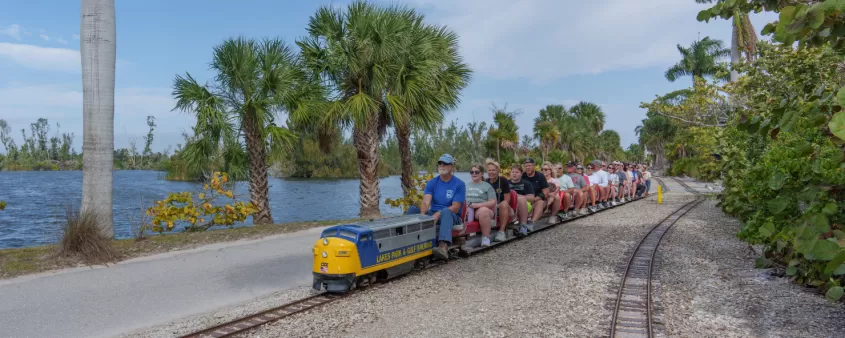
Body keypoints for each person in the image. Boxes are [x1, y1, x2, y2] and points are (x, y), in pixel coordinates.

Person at [404, 154, 465, 259]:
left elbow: (455, 207)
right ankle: (405, 239)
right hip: (434, 214)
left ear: (452, 166)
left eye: (445, 163)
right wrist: (423, 215)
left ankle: (443, 246)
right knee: (412, 209)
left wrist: (438, 214)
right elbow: (426, 201)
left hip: (452, 216)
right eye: (440, 163)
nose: (442, 165)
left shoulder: (459, 184)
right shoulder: (432, 182)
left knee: (445, 211)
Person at [465, 164, 497, 247]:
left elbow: (492, 202)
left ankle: (486, 238)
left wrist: (478, 205)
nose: (474, 174)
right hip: (468, 209)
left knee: (484, 211)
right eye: (472, 172)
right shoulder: (466, 185)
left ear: (482, 173)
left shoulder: (487, 186)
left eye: (476, 172)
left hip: (482, 209)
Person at [522, 158, 559, 223]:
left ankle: (532, 223)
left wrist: (535, 199)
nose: (527, 167)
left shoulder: (540, 176)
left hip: (538, 199)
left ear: (534, 166)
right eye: (526, 166)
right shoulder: (522, 176)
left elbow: (545, 192)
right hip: (525, 200)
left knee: (540, 203)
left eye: (529, 165)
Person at [485, 159, 511, 242]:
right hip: (490, 207)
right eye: (489, 170)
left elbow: (507, 199)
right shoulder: (485, 182)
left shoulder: (503, 180)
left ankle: (501, 232)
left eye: (493, 170)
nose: (491, 172)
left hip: (502, 207)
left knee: (504, 204)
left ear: (498, 171)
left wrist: (497, 205)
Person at [508, 165, 534, 235]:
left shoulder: (527, 184)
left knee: (520, 200)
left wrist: (518, 196)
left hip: (525, 204)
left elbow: (532, 198)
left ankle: (523, 225)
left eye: (517, 172)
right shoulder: (506, 183)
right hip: (510, 204)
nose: (514, 173)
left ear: (521, 173)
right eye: (513, 172)